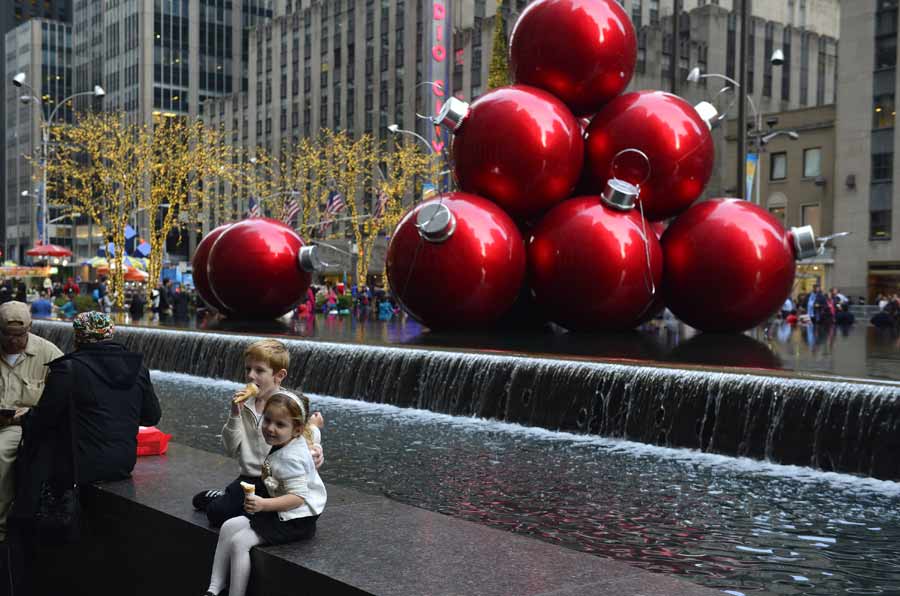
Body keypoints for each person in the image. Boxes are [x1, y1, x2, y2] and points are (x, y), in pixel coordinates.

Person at [8, 311, 161, 594]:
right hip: (123, 462)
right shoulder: (136, 366)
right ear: (111, 334)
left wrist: (23, 417)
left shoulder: (68, 369)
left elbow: (44, 420)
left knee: (36, 450)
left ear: (77, 338)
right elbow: (152, 416)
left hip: (82, 465)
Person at [203, 391, 326, 596]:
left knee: (239, 542)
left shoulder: (291, 458)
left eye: (280, 425)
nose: (270, 428)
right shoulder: (294, 437)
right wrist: (315, 426)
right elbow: (311, 432)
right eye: (267, 420)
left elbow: (298, 498)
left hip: (296, 518)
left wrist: (263, 505)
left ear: (296, 430)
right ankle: (213, 589)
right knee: (228, 526)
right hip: (280, 506)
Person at [192, 339, 323, 527]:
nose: (251, 376)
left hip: (280, 479)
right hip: (251, 478)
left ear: (279, 375)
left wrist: (317, 448)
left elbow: (306, 434)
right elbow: (229, 448)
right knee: (216, 513)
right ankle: (224, 496)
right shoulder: (245, 406)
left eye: (259, 370)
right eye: (248, 369)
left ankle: (234, 499)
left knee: (260, 515)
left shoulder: (289, 405)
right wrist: (235, 414)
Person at [0, 302, 64, 542]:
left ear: (30, 329)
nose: (14, 341)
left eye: (19, 335)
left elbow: (62, 398)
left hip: (22, 427)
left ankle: (2, 527)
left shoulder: (50, 355)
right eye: (7, 335)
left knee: (1, 454)